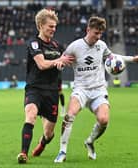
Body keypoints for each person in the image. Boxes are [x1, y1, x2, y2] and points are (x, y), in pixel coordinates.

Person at [54, 16, 138, 163]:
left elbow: (113, 57)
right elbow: (62, 59)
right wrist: (61, 63)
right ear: (88, 30)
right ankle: (62, 151)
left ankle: (90, 142)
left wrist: (132, 59)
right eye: (95, 33)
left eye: (100, 34)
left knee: (104, 119)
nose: (98, 37)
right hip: (81, 89)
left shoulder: (102, 45)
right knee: (69, 115)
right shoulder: (75, 46)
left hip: (99, 90)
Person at [17, 8, 75, 164]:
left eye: (55, 27)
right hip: (35, 88)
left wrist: (61, 64)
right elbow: (41, 64)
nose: (53, 29)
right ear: (41, 26)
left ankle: (43, 142)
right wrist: (58, 61)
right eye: (50, 26)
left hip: (52, 91)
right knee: (30, 115)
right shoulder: (34, 44)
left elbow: (62, 64)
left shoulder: (57, 46)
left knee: (49, 133)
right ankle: (23, 153)